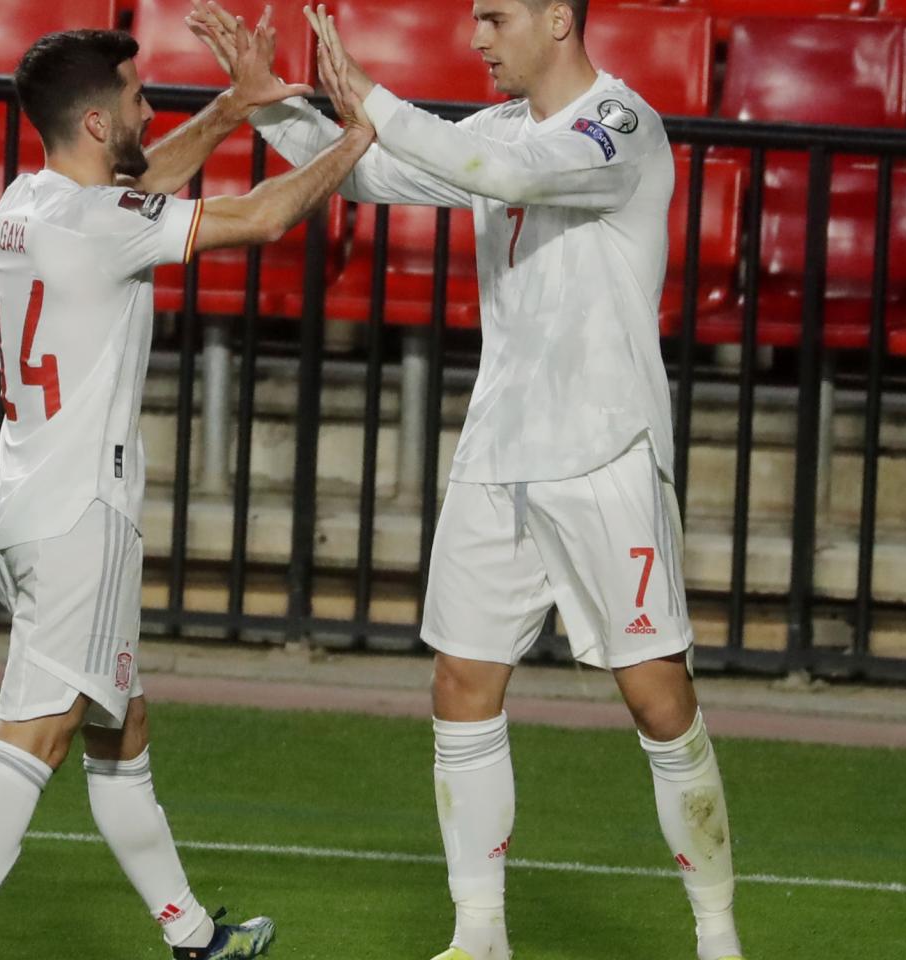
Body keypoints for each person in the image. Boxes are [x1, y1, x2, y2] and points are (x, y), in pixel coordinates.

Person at [190, 2, 746, 958]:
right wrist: (269, 106)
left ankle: (717, 936)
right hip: (499, 451)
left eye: (494, 18)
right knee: (461, 681)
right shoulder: (491, 129)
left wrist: (369, 92)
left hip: (605, 453)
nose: (477, 38)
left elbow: (506, 172)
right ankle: (479, 934)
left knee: (658, 697)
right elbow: (371, 171)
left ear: (560, 21)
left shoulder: (621, 125)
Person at [0, 15, 374, 960]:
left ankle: (194, 936)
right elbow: (265, 217)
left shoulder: (27, 205)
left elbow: (141, 180)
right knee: (33, 737)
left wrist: (236, 106)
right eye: (132, 100)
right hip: (82, 515)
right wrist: (361, 138)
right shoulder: (97, 224)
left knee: (120, 730)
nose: (146, 111)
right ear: (92, 122)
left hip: (31, 506)